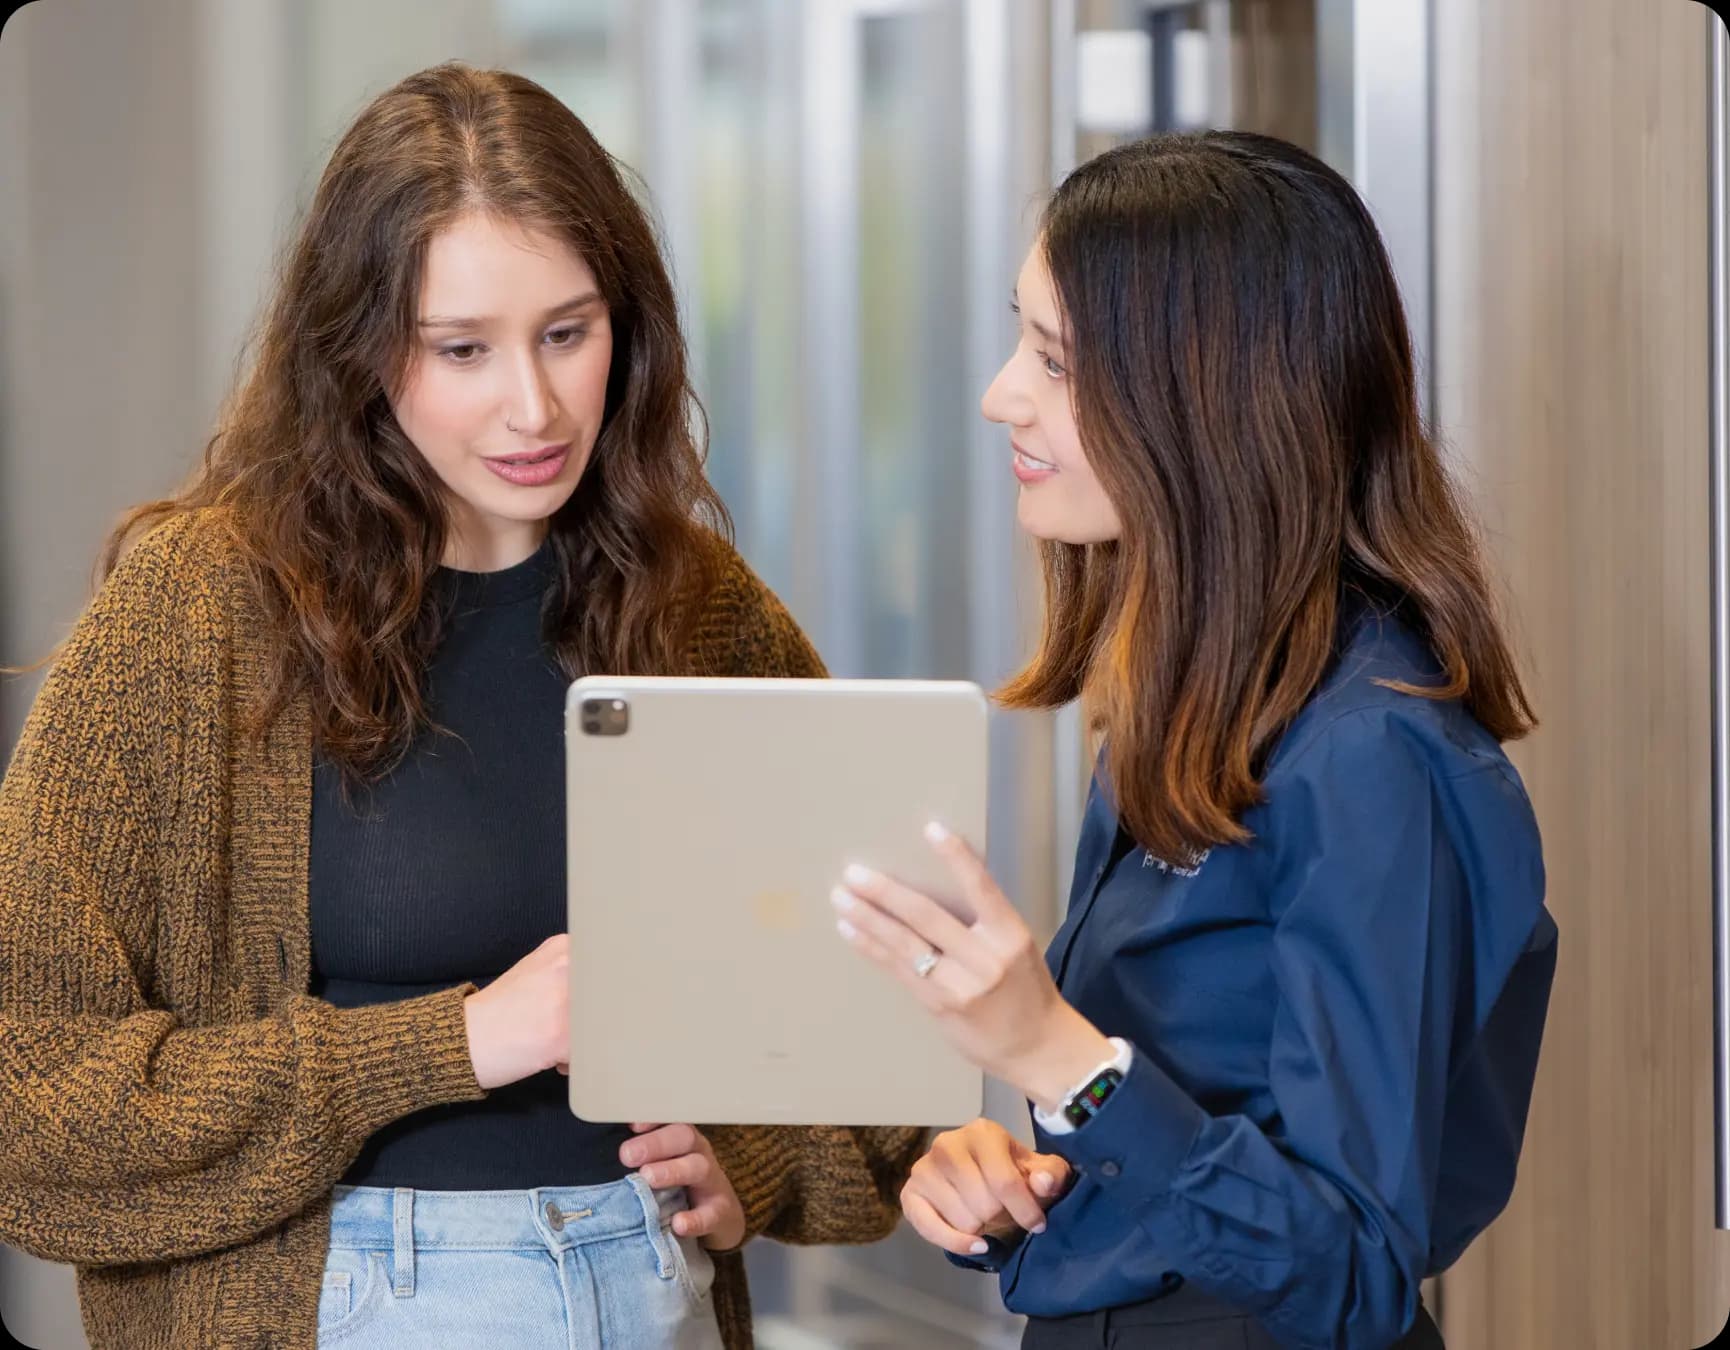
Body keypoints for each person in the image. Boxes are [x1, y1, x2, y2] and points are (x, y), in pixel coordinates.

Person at [0, 63, 922, 1350]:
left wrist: (755, 1158)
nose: (533, 408)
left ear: (630, 326)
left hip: (644, 1283)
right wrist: (462, 1038)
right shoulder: (196, 613)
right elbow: (32, 1112)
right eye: (462, 350)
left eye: (567, 331)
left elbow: (874, 1041)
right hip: (342, 1303)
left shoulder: (699, 612)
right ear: (362, 351)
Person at [833, 131, 1556, 1350]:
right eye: (1022, 336)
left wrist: (1059, 1057)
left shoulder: (1371, 756)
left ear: (1206, 399)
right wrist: (1012, 1177)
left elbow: (1351, 1280)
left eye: (1055, 361)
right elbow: (1167, 1143)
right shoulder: (1190, 708)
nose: (1000, 391)